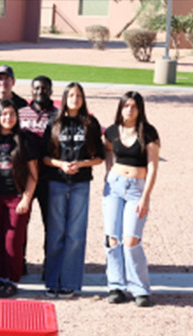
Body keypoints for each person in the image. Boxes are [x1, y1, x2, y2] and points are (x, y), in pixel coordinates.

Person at [38, 82, 105, 298]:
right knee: (56, 232)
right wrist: (61, 164)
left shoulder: (90, 123)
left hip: (80, 183)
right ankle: (52, 280)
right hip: (56, 182)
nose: (75, 99)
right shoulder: (54, 123)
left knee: (75, 233)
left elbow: (100, 157)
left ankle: (69, 282)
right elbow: (44, 158)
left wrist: (81, 164)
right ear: (65, 98)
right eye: (71, 95)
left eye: (79, 95)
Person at [101, 91, 161, 307]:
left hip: (137, 189)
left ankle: (140, 289)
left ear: (140, 109)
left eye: (134, 106)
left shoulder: (149, 132)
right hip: (114, 187)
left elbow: (153, 166)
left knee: (131, 240)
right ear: (121, 108)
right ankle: (116, 286)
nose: (130, 110)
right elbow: (107, 150)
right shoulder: (112, 131)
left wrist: (146, 196)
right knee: (112, 238)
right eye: (126, 105)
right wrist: (109, 171)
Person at [0, 99, 42, 298]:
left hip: (16, 197)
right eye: (4, 114)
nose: (8, 118)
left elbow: (34, 174)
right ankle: (1, 278)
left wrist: (26, 198)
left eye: (12, 114)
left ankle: (12, 280)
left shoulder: (24, 139)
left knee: (12, 241)